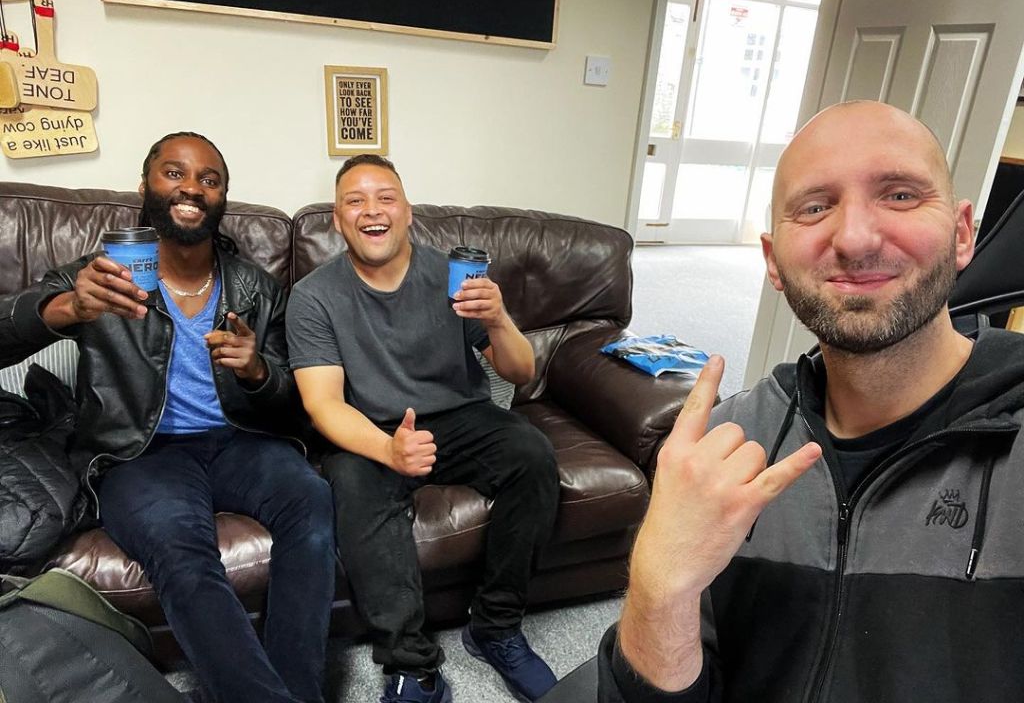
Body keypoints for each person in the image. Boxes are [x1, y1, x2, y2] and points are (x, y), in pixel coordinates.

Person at [598, 101, 1024, 703]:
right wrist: (658, 588)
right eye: (816, 207)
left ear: (961, 234)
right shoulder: (729, 443)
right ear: (773, 261)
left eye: (900, 195)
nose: (855, 238)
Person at [0, 132, 336, 703]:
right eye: (174, 173)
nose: (192, 188)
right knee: (181, 551)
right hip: (138, 452)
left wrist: (258, 371)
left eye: (209, 179)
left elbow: (292, 403)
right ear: (145, 186)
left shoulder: (255, 288)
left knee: (312, 501)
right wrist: (66, 308)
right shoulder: (102, 276)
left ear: (223, 197)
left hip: (239, 441)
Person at [286, 154, 560, 703]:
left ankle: (495, 627)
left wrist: (498, 318)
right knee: (353, 487)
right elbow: (323, 405)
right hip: (370, 428)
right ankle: (412, 666)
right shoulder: (313, 296)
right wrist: (389, 450)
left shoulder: (454, 276)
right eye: (354, 201)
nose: (372, 211)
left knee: (531, 454)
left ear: (408, 212)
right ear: (337, 221)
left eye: (385, 198)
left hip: (459, 416)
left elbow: (520, 373)